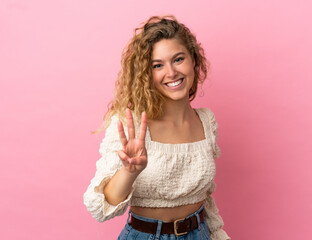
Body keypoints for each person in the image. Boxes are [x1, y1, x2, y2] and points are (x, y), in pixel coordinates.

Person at [83, 15, 231, 240]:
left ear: (193, 60)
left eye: (178, 59)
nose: (171, 73)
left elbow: (205, 195)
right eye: (158, 65)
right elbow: (101, 208)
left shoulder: (206, 121)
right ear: (147, 74)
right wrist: (130, 171)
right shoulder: (130, 124)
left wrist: (217, 234)